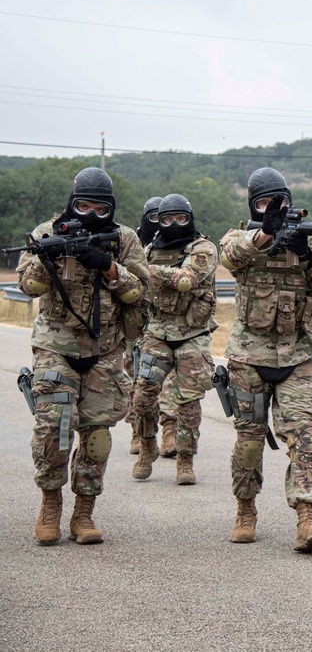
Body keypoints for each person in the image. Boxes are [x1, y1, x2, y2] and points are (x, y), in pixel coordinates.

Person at [16, 167, 148, 545]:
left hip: (105, 349)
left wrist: (107, 266)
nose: (91, 215)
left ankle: (84, 513)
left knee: (97, 437)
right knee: (53, 427)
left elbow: (140, 293)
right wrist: (50, 257)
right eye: (83, 206)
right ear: (72, 203)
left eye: (100, 208)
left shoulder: (124, 239)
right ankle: (51, 504)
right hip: (56, 347)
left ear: (112, 209)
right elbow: (27, 285)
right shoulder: (46, 232)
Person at [219, 167, 312, 552]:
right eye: (264, 202)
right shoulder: (241, 237)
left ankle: (307, 519)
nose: (274, 207)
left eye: (280, 201)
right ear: (253, 205)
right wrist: (266, 233)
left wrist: (308, 254)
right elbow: (229, 257)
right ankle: (245, 511)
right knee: (250, 440)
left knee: (304, 433)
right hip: (249, 357)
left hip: (298, 355)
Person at [129, 194, 217, 486]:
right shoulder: (152, 248)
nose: (174, 224)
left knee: (189, 403)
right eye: (167, 219)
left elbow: (186, 280)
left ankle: (185, 459)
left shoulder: (202, 248)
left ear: (189, 218)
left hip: (193, 334)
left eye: (181, 218)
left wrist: (146, 270)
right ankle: (147, 446)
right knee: (143, 395)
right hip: (158, 331)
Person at [128, 196, 163, 455]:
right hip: (136, 317)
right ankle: (136, 431)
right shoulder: (131, 240)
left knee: (169, 381)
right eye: (154, 217)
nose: (159, 223)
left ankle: (170, 429)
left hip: (165, 319)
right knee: (135, 378)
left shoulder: (179, 240)